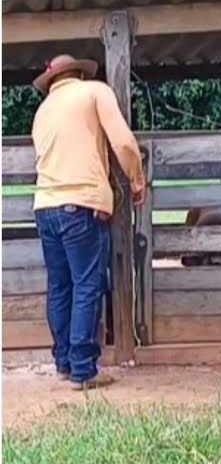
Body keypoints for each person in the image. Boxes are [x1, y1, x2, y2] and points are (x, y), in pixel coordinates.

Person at [30, 54, 146, 390]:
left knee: (60, 285)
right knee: (87, 284)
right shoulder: (95, 91)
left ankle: (64, 362)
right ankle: (83, 369)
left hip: (45, 206)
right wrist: (136, 180)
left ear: (51, 81)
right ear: (80, 73)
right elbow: (123, 142)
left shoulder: (42, 112)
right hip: (82, 204)